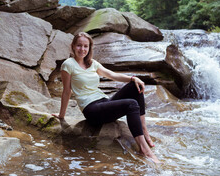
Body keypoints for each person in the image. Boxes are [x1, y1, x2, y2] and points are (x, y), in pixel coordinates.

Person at [52, 32, 160, 163]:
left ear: (89, 48)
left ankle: (144, 130)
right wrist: (61, 115)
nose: (82, 49)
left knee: (135, 86)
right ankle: (144, 149)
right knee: (131, 104)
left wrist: (133, 78)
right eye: (79, 45)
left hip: (104, 102)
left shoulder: (92, 63)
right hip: (91, 110)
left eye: (86, 46)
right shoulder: (68, 65)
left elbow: (112, 75)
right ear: (73, 46)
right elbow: (67, 91)